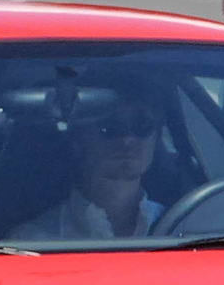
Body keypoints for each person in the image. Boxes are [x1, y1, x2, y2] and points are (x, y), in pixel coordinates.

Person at [9, 81, 169, 242]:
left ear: (157, 136)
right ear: (78, 139)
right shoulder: (32, 240)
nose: (127, 139)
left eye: (142, 125)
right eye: (109, 127)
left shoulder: (182, 227)